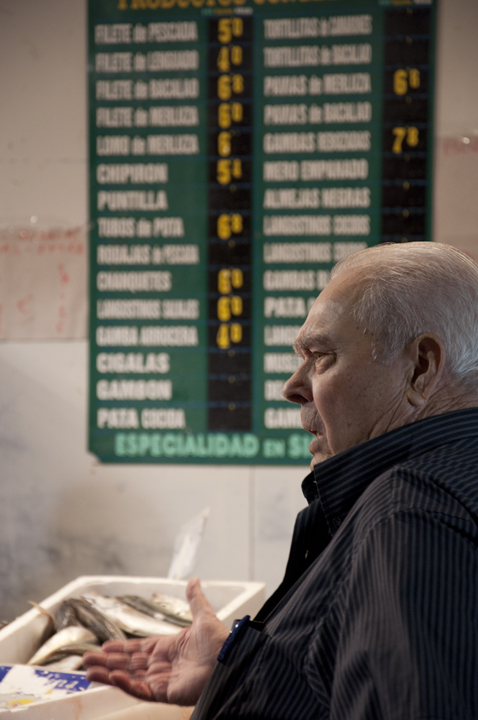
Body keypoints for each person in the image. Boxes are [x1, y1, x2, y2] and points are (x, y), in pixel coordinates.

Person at [84, 242, 478, 718]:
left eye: (320, 356)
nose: (292, 386)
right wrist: (246, 674)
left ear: (420, 368)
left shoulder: (410, 515)